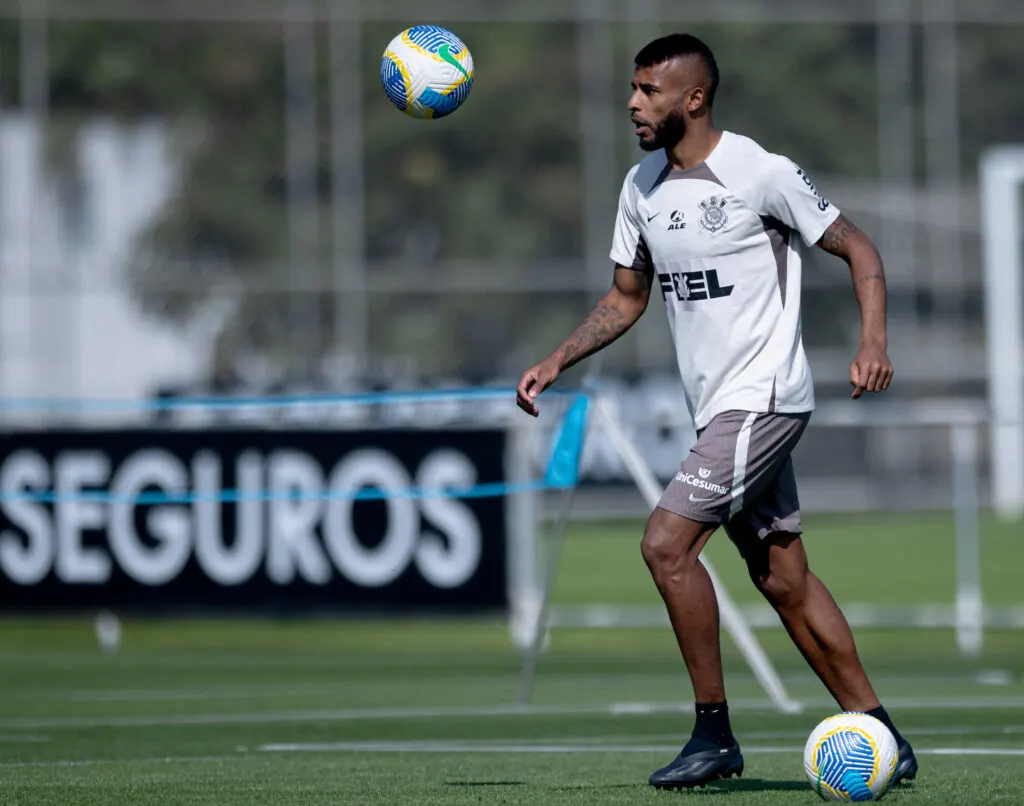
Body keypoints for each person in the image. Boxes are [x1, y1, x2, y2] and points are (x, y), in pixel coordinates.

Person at [515, 33, 918, 790]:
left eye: (649, 91)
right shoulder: (641, 187)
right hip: (718, 411)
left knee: (667, 546)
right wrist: (556, 360)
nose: (634, 103)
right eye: (633, 89)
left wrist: (872, 339)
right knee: (783, 579)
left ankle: (714, 735)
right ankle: (883, 735)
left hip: (763, 398)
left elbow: (860, 248)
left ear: (693, 99)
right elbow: (626, 298)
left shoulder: (758, 172)